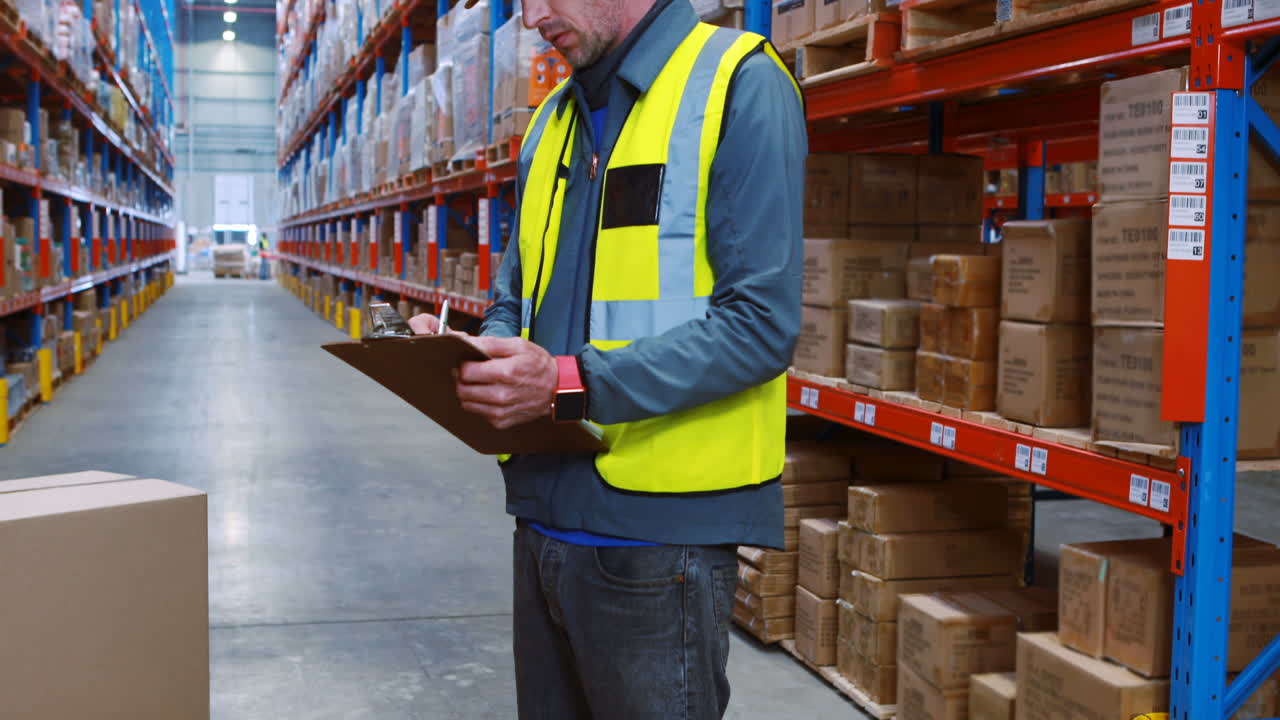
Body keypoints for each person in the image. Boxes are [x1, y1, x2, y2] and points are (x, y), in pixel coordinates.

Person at [410, 0, 805, 715]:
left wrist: (567, 382)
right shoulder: (550, 123)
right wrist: (478, 354)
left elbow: (760, 325)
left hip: (661, 542)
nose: (530, 20)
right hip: (541, 521)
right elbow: (516, 296)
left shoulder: (738, 83)